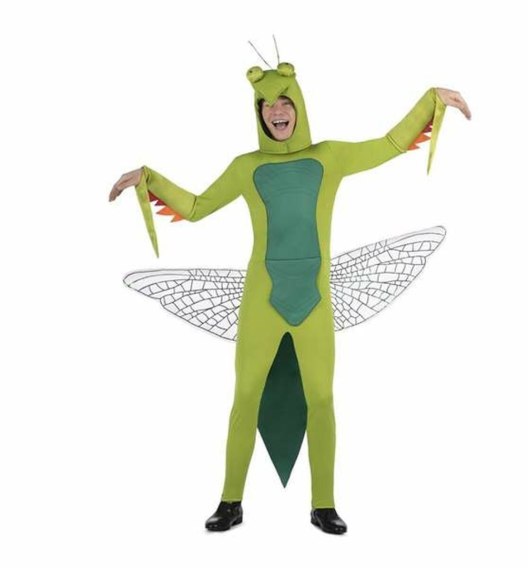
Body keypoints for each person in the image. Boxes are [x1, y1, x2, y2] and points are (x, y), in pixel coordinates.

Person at [109, 61, 470, 535]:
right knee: (245, 397)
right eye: (266, 105)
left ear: (298, 105)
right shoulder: (246, 168)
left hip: (314, 301)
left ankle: (324, 505)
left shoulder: (329, 157)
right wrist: (148, 178)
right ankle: (230, 502)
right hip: (260, 302)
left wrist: (431, 99)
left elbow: (389, 144)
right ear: (258, 113)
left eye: (284, 102)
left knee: (322, 398)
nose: (276, 111)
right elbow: (196, 208)